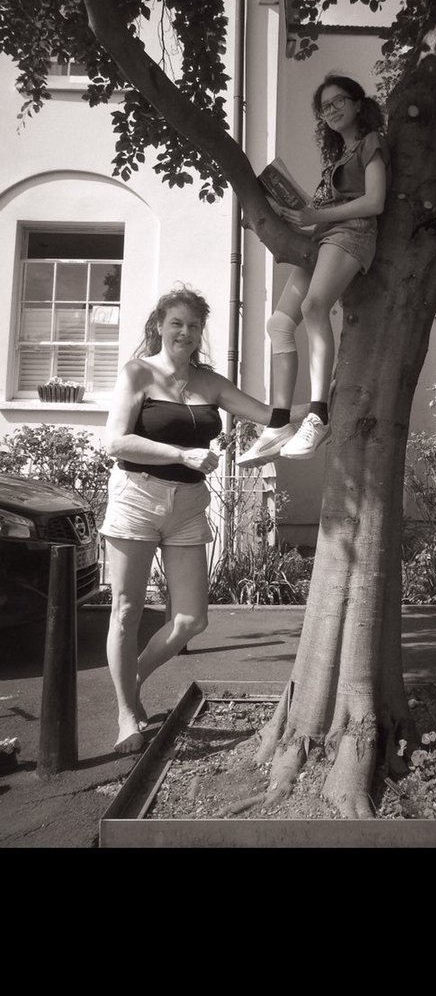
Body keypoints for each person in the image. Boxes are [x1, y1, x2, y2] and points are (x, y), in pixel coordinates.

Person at [100, 285, 297, 753]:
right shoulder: (138, 374)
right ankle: (127, 713)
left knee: (190, 620)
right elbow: (115, 442)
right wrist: (183, 453)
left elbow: (270, 415)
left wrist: (322, 409)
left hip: (188, 504)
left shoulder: (210, 383)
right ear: (159, 326)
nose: (185, 333)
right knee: (126, 611)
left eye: (193, 326)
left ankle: (130, 678)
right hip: (137, 498)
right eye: (176, 324)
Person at [237, 73, 390, 467]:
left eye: (340, 101)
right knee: (278, 324)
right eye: (325, 107)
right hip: (322, 237)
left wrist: (315, 215)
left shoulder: (372, 144)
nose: (333, 110)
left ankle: (319, 415)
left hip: (353, 234)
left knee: (314, 308)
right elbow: (314, 217)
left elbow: (374, 202)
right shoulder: (336, 158)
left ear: (358, 104)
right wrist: (282, 216)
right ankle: (278, 423)